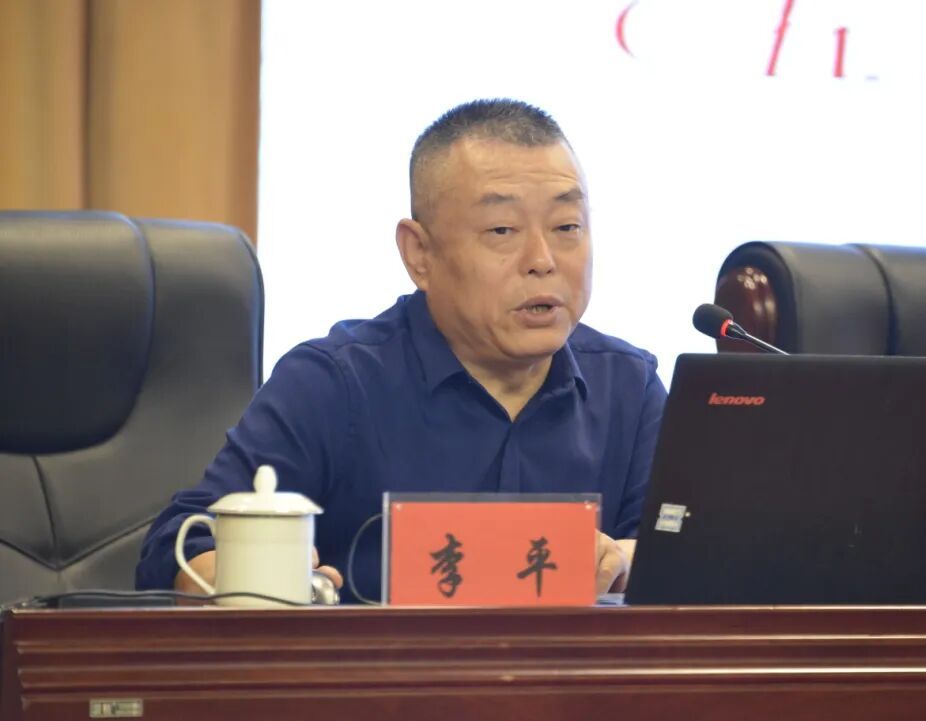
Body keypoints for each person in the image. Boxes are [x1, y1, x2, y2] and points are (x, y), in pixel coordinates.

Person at [136, 99, 667, 602]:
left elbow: (684, 553)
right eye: (502, 229)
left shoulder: (630, 386)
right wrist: (247, 579)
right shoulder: (332, 384)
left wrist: (626, 560)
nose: (543, 259)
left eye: (567, 227)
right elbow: (179, 548)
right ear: (420, 254)